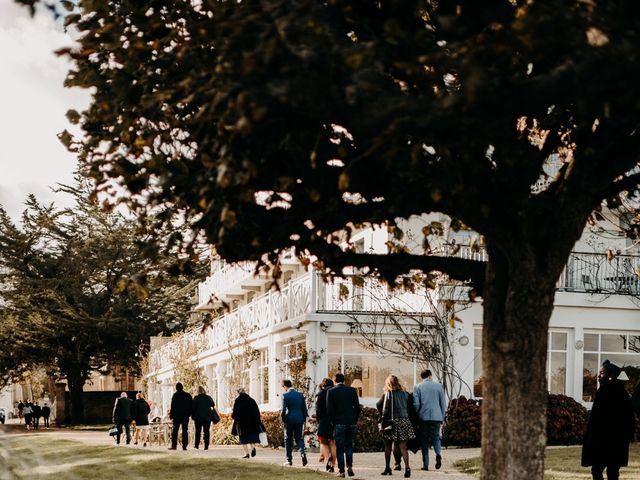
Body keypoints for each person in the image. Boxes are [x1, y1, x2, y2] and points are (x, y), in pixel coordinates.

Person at [582, 360, 635, 480]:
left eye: (602, 373)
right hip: (616, 442)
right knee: (612, 472)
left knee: (597, 470)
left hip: (604, 441)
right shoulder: (623, 393)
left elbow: (597, 419)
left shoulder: (604, 392)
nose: (599, 376)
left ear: (610, 375)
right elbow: (630, 419)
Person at [377, 375, 415, 478]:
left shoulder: (387, 394)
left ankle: (387, 468)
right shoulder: (406, 394)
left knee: (388, 446)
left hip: (391, 422)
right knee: (403, 447)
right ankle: (407, 468)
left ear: (388, 383)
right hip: (404, 421)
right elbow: (411, 407)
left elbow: (379, 405)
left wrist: (382, 419)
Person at [327, 373, 360, 478]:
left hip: (338, 422)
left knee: (340, 448)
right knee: (349, 446)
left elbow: (330, 410)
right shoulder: (352, 391)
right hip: (351, 422)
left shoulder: (331, 391)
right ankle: (350, 467)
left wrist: (332, 422)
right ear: (344, 380)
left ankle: (341, 471)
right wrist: (354, 419)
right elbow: (357, 407)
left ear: (334, 381)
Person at [413, 369, 446, 471]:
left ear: (422, 377)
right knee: (436, 437)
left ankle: (426, 464)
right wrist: (442, 417)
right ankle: (438, 454)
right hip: (437, 416)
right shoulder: (438, 386)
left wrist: (417, 414)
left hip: (423, 417)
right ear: (430, 375)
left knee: (424, 440)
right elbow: (443, 403)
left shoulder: (417, 387)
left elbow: (416, 404)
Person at [281, 379, 308, 466]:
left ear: (285, 386)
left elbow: (283, 410)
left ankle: (289, 460)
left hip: (289, 419)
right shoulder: (300, 395)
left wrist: (284, 419)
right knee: (298, 438)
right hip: (299, 419)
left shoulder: (285, 395)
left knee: (288, 439)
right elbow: (304, 409)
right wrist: (304, 420)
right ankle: (303, 453)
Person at [231, 388, 262, 458]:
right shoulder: (251, 400)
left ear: (239, 393)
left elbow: (235, 413)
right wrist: (257, 420)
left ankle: (246, 454)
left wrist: (233, 416)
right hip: (251, 422)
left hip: (241, 423)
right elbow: (257, 411)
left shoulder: (238, 401)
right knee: (251, 437)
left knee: (243, 439)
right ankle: (253, 447)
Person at [316, 378, 337, 472]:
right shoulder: (336, 393)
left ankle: (325, 455)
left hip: (324, 420)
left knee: (323, 441)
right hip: (335, 420)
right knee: (333, 442)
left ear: (323, 385)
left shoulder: (321, 394)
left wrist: (318, 420)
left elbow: (318, 409)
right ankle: (331, 463)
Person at [168, 382, 193, 450]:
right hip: (185, 415)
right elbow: (191, 406)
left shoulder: (175, 395)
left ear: (176, 388)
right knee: (185, 430)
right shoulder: (188, 395)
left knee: (175, 430)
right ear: (182, 387)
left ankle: (174, 445)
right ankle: (184, 446)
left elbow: (172, 406)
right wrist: (190, 414)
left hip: (177, 416)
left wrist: (171, 415)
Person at [192, 385, 216, 450]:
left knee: (198, 432)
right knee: (206, 432)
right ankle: (206, 446)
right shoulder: (208, 397)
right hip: (207, 418)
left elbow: (193, 408)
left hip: (198, 418)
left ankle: (196, 445)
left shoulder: (196, 398)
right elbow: (213, 404)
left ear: (198, 391)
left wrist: (193, 416)